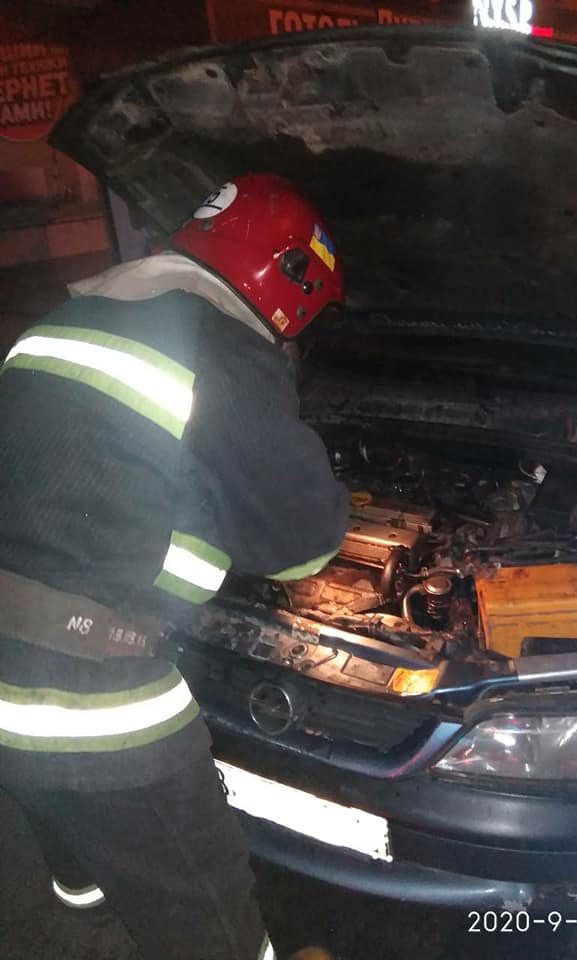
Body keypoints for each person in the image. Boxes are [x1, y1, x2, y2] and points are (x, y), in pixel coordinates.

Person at [0, 174, 349, 960]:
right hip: (89, 700)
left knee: (67, 820)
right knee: (207, 906)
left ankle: (86, 902)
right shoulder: (223, 347)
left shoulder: (60, 321)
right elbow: (301, 547)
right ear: (290, 282)